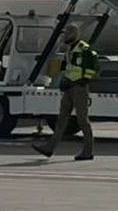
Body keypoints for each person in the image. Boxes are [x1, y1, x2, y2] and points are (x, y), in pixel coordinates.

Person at [32, 25, 97, 161]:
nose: (64, 37)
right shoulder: (69, 50)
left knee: (82, 120)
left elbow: (93, 68)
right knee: (61, 119)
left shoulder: (84, 49)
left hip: (79, 88)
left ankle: (88, 150)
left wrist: (82, 80)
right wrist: (65, 80)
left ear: (74, 34)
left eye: (67, 34)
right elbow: (70, 67)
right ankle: (50, 147)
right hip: (69, 88)